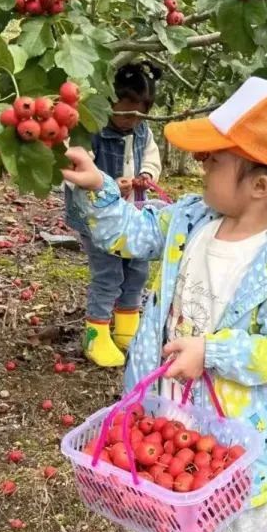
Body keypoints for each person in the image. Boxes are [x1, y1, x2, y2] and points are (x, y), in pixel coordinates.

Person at [61, 77, 267, 532]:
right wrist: (98, 187)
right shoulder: (190, 219)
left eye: (214, 159)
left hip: (229, 456)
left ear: (259, 186)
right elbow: (131, 233)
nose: (202, 165)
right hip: (168, 426)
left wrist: (213, 351)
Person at [65, 61, 163, 368]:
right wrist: (106, 186)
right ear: (109, 102)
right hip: (97, 221)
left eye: (139, 113)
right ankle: (96, 334)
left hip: (133, 215)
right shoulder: (90, 131)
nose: (132, 119)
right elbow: (74, 171)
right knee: (109, 274)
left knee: (137, 269)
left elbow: (151, 157)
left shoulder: (142, 131)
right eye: (126, 112)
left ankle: (126, 326)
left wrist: (146, 174)